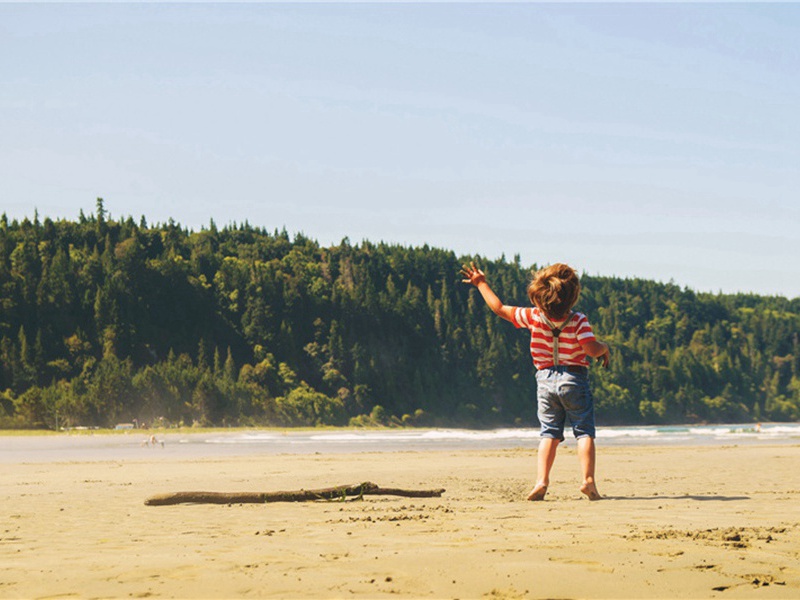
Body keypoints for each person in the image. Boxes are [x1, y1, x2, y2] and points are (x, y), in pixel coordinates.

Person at [461, 261, 610, 501]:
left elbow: (498, 308)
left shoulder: (532, 316)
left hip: (545, 381)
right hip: (574, 379)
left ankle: (541, 481)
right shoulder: (579, 320)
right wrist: (604, 348)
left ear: (539, 295)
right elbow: (591, 349)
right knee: (584, 432)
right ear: (572, 296)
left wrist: (481, 283)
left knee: (549, 433)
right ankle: (588, 481)